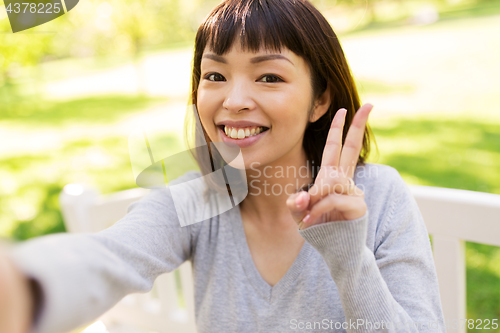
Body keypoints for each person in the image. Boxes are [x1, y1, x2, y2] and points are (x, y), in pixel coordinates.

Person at [1, 0, 446, 332]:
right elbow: (110, 258)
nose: (232, 101)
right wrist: (21, 287)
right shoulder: (200, 196)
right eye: (214, 75)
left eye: (269, 76)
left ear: (321, 99)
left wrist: (348, 257)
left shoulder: (382, 194)